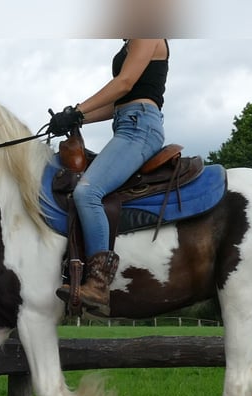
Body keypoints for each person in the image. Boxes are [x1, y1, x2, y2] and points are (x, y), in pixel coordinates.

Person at [49, 39, 169, 314]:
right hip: (127, 121)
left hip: (139, 127)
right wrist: (77, 118)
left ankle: (99, 284)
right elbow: (118, 102)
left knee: (87, 192)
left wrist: (77, 110)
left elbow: (124, 83)